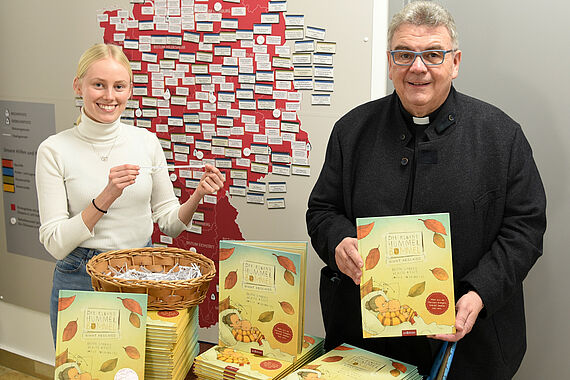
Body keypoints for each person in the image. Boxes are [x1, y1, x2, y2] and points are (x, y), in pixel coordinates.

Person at [305, 2, 546, 379]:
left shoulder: (501, 136)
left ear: (455, 62)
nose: (418, 68)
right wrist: (339, 242)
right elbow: (321, 210)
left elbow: (525, 229)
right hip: (366, 344)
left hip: (468, 344)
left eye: (433, 54)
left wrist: (480, 292)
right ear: (390, 62)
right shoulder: (351, 132)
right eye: (404, 54)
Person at [36, 43, 225, 345]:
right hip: (81, 276)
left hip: (143, 273)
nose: (109, 96)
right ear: (78, 86)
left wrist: (198, 195)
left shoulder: (146, 142)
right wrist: (105, 198)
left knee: (142, 371)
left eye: (119, 86)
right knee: (85, 372)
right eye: (99, 85)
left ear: (129, 90)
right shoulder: (54, 150)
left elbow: (170, 224)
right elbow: (55, 244)